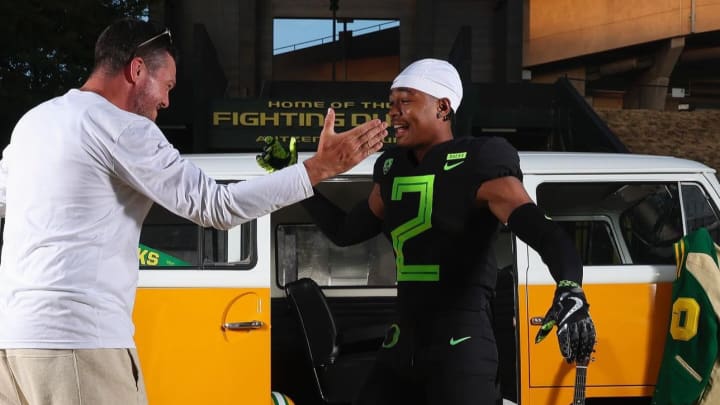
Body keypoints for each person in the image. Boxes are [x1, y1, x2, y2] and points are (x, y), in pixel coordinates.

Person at [0, 18, 386, 405]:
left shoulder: (35, 122)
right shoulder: (121, 127)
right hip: (78, 342)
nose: (166, 101)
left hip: (12, 341)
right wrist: (318, 169)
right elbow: (217, 206)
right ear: (136, 70)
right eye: (166, 85)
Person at [298, 58, 596, 405]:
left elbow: (540, 230)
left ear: (443, 107)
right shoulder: (392, 166)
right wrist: (301, 177)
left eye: (405, 101)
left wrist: (570, 284)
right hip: (402, 341)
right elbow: (346, 231)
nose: (393, 112)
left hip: (461, 344)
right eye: (391, 104)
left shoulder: (480, 159)